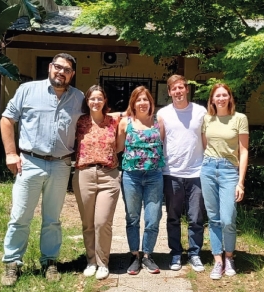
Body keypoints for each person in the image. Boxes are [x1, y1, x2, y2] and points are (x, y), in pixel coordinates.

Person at [0, 53, 84, 286]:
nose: (61, 72)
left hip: (61, 165)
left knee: (52, 219)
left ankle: (50, 261)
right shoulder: (28, 90)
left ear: (72, 74)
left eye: (67, 69)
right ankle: (12, 263)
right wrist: (10, 153)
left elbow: (93, 121)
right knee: (20, 216)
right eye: (58, 67)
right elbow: (7, 119)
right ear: (50, 67)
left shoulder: (78, 98)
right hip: (30, 162)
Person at [157, 75, 207, 272]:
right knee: (173, 217)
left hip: (197, 172)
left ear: (187, 89)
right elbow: (159, 143)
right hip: (171, 173)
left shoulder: (200, 111)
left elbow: (205, 140)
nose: (177, 91)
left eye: (181, 88)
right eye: (173, 89)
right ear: (169, 92)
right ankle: (176, 253)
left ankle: (195, 254)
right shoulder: (163, 114)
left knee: (196, 218)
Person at [200, 83, 249, 280]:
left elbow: (244, 151)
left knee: (228, 218)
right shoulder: (207, 119)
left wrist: (241, 182)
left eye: (224, 95)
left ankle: (229, 256)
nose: (220, 98)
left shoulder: (240, 119)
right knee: (213, 218)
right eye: (217, 96)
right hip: (208, 169)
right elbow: (205, 145)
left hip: (230, 171)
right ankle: (218, 259)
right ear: (212, 100)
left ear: (230, 98)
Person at [72, 85, 121, 280]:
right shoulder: (79, 122)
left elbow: (132, 113)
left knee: (102, 222)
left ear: (105, 101)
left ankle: (103, 262)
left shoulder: (114, 121)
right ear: (87, 101)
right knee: (88, 223)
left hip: (109, 174)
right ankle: (91, 260)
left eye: (99, 98)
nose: (95, 102)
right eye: (92, 98)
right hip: (84, 174)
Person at [116, 86, 166, 275]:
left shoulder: (158, 121)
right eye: (139, 100)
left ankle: (147, 255)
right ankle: (135, 256)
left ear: (151, 102)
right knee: (133, 218)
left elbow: (161, 145)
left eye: (146, 99)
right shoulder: (125, 123)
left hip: (154, 176)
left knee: (153, 218)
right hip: (131, 176)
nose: (142, 103)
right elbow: (119, 148)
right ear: (133, 103)